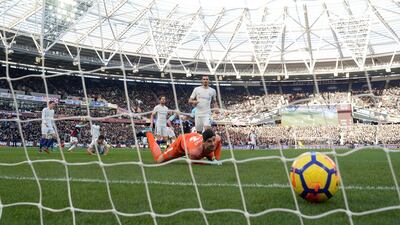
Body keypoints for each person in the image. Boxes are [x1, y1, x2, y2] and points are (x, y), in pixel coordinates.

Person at [146, 129, 222, 164]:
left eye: (213, 140)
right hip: (181, 144)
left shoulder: (217, 139)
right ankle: (148, 133)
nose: (213, 143)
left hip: (192, 139)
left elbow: (217, 143)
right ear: (203, 142)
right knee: (159, 160)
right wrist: (212, 160)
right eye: (209, 141)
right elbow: (196, 162)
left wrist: (217, 159)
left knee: (211, 153)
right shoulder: (195, 151)